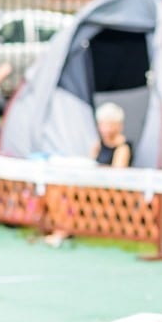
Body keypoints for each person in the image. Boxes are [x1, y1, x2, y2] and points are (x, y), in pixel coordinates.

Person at [43, 102, 132, 247]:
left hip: (110, 190)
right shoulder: (98, 144)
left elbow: (117, 174)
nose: (106, 129)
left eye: (109, 124)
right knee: (56, 187)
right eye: (103, 125)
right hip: (93, 184)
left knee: (70, 191)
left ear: (118, 126)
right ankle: (60, 228)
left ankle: (63, 231)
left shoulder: (123, 148)